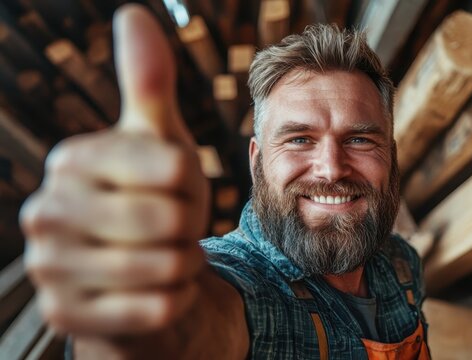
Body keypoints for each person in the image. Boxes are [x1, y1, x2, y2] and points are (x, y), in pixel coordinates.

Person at [20, 4, 430, 359]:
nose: (330, 168)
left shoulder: (400, 264)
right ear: (257, 161)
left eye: (359, 139)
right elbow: (193, 333)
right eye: (299, 139)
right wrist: (123, 318)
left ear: (390, 156)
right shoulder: (244, 283)